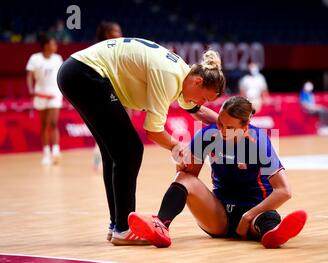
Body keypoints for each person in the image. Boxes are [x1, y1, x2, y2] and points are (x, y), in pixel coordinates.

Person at [57, 37, 225, 245]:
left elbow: (196, 110)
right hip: (85, 74)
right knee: (130, 150)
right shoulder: (170, 76)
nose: (200, 102)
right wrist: (177, 147)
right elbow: (153, 131)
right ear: (198, 81)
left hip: (76, 72)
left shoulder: (184, 75)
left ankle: (117, 225)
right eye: (204, 98)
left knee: (115, 154)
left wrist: (225, 122)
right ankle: (124, 229)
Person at [128, 96, 307, 249]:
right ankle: (161, 225)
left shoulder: (258, 142)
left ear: (245, 128)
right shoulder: (209, 135)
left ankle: (273, 235)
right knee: (184, 177)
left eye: (229, 128)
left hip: (255, 211)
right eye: (220, 123)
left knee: (266, 220)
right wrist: (181, 163)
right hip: (218, 215)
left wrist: (247, 216)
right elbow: (189, 178)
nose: (222, 131)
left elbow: (284, 191)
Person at [26, 33, 63, 165]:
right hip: (40, 93)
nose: (56, 46)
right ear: (46, 45)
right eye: (53, 43)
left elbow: (61, 75)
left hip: (55, 94)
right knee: (44, 125)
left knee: (53, 123)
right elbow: (29, 75)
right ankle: (46, 153)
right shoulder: (35, 58)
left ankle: (56, 152)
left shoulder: (58, 58)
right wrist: (30, 89)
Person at [92, 21, 124, 172]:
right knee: (105, 132)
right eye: (116, 31)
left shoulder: (120, 50)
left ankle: (115, 161)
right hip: (105, 94)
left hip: (121, 95)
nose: (120, 34)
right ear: (107, 34)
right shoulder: (100, 51)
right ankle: (100, 161)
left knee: (120, 132)